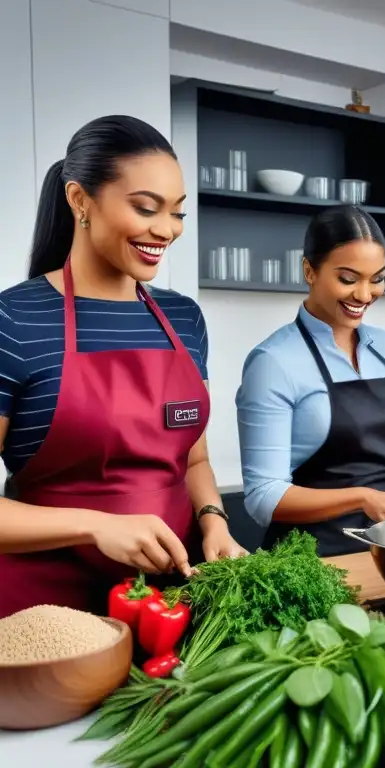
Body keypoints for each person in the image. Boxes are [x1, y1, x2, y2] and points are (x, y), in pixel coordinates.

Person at [0, 116, 245, 618]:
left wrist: (213, 520)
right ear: (79, 200)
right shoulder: (14, 320)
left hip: (174, 602)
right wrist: (95, 525)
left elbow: (192, 460)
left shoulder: (183, 318)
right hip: (48, 612)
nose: (166, 230)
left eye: (177, 213)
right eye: (145, 208)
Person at [236, 205, 385, 556]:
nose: (364, 294)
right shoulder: (274, 362)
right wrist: (362, 498)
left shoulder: (382, 345)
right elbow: (263, 497)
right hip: (310, 563)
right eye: (348, 278)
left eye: (377, 278)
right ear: (309, 271)